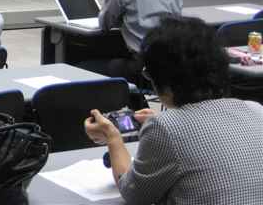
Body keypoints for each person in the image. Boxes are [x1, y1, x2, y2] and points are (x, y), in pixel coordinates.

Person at [84, 17, 263, 204]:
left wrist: (112, 137)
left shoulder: (165, 127)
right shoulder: (256, 109)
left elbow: (133, 194)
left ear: (162, 79)